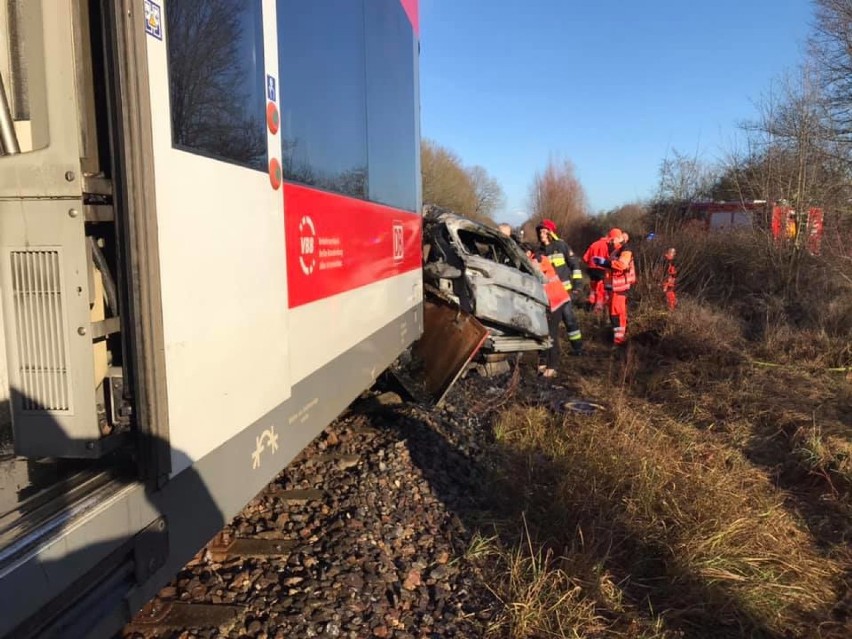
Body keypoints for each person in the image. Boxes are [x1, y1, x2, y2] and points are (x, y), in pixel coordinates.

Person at [535, 219, 584, 355]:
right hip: (548, 294)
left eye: (544, 231)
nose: (541, 234)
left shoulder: (561, 246)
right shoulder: (539, 251)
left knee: (569, 319)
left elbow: (575, 266)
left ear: (551, 232)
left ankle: (578, 348)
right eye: (540, 231)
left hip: (564, 291)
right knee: (549, 325)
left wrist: (577, 286)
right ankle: (549, 352)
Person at [522, 243, 569, 378]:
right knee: (542, 331)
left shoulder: (538, 260)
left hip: (555, 300)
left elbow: (534, 271)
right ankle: (542, 362)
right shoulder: (535, 259)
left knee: (551, 333)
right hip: (547, 301)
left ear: (528, 252)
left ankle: (552, 366)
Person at [591, 229, 636, 346]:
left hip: (620, 287)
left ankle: (619, 341)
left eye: (612, 239)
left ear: (619, 238)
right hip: (614, 288)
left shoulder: (625, 250)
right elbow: (612, 267)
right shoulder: (615, 251)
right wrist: (603, 263)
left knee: (617, 313)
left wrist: (605, 263)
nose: (610, 242)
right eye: (609, 239)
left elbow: (622, 265)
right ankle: (619, 338)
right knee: (615, 313)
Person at [583, 229, 622, 314]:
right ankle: (599, 308)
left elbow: (585, 258)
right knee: (601, 290)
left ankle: (591, 303)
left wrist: (591, 263)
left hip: (591, 270)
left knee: (593, 288)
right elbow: (610, 260)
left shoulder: (593, 244)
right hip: (602, 270)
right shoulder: (608, 245)